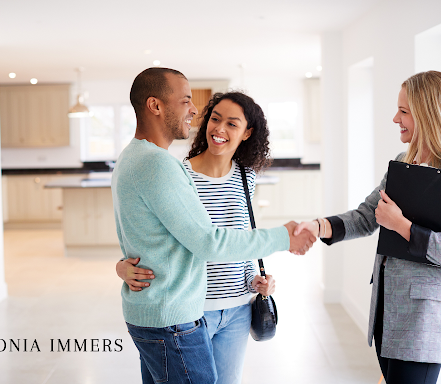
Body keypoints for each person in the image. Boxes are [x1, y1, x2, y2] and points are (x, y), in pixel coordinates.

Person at [112, 67, 316, 384]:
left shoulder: (139, 157)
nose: (195, 111)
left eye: (232, 122)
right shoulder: (163, 166)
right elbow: (208, 242)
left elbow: (157, 233)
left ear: (247, 132)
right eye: (186, 101)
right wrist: (283, 238)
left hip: (214, 306)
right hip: (181, 313)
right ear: (156, 105)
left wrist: (255, 277)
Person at [296, 70, 441, 384]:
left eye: (403, 111)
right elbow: (365, 216)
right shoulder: (405, 160)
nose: (394, 119)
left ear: (429, 114)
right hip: (388, 310)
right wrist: (319, 226)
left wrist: (403, 226)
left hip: (424, 319)